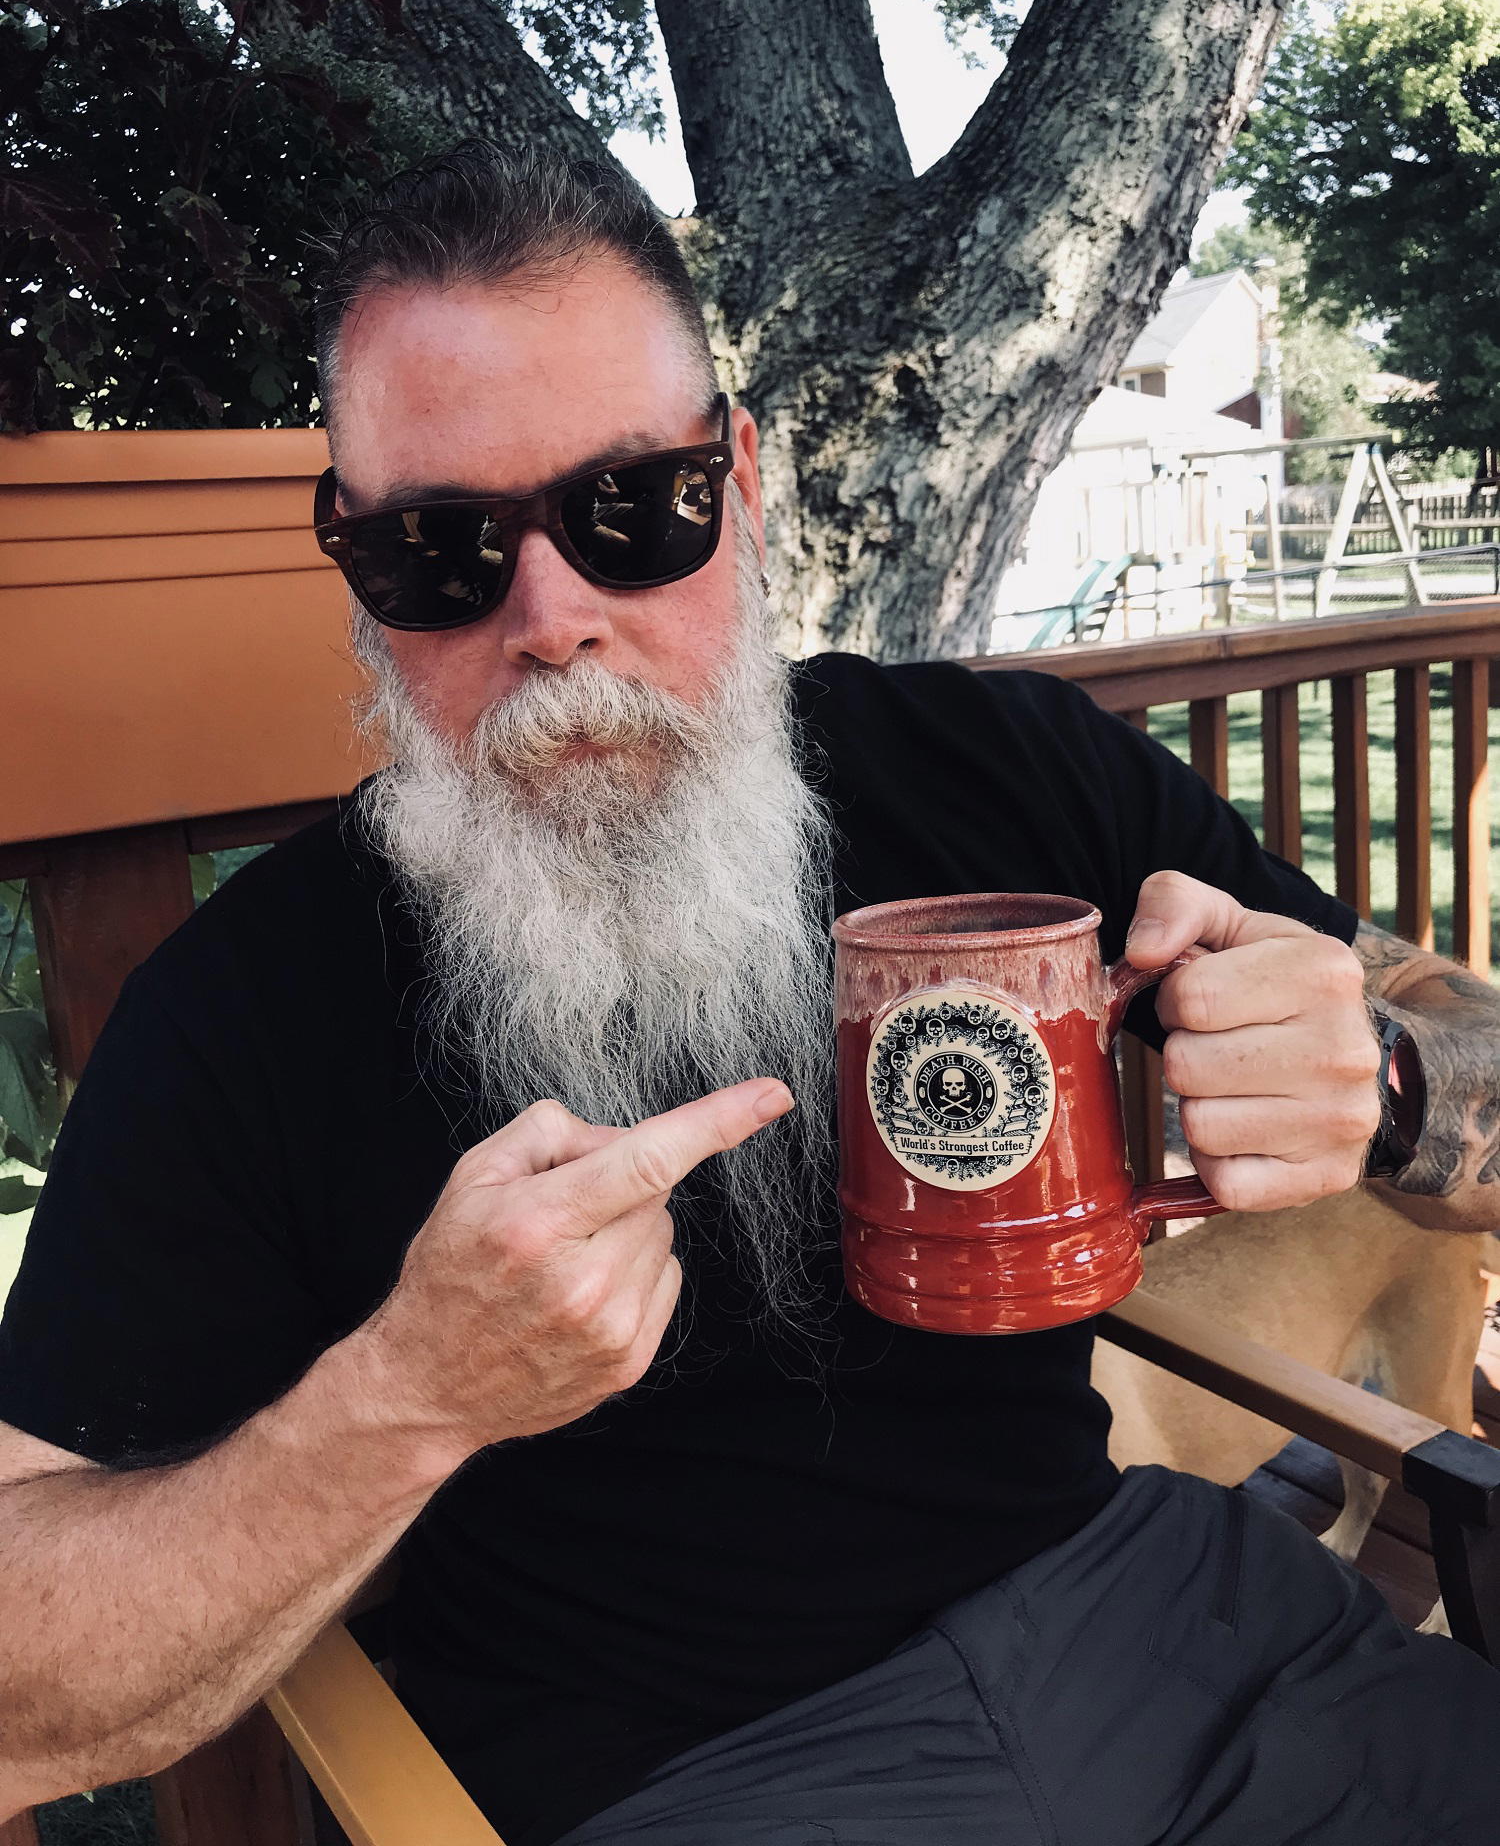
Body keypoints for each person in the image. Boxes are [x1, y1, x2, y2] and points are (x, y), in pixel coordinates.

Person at [1, 142, 1497, 1846]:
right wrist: (407, 1396)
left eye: (633, 509)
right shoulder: (245, 1012)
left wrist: (1388, 1077)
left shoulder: (1000, 769)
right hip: (717, 1782)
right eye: (440, 550)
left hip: (1176, 1631)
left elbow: (1467, 1058)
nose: (554, 617)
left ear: (744, 480)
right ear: (353, 562)